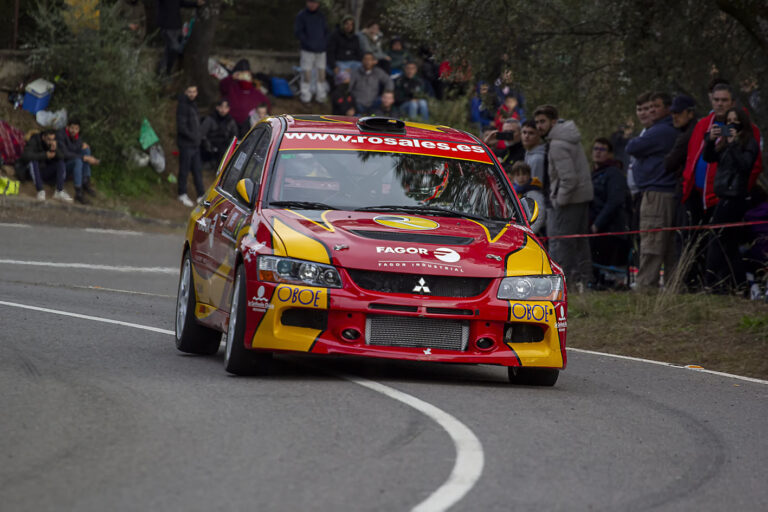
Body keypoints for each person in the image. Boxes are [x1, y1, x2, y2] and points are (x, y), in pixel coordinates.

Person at [682, 83, 763, 226]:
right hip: (697, 195)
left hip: (726, 196)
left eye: (724, 100)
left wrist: (736, 191)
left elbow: (752, 165)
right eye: (716, 100)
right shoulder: (703, 124)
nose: (719, 104)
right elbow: (695, 158)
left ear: (732, 102)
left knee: (720, 242)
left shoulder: (746, 128)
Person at [534, 104, 593, 288]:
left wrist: (559, 201)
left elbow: (569, 179)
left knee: (562, 245)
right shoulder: (568, 138)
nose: (539, 126)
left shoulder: (558, 144)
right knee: (580, 244)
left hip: (569, 201)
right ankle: (585, 282)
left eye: (542, 121)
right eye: (537, 122)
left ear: (553, 121)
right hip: (581, 198)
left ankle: (562, 286)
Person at [625, 92, 680, 290]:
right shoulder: (656, 129)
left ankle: (645, 286)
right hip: (655, 192)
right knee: (659, 242)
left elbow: (632, 146)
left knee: (652, 243)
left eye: (655, 107)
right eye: (647, 108)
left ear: (667, 108)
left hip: (657, 194)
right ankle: (668, 287)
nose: (651, 111)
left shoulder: (661, 130)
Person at [702, 107, 759, 293]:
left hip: (735, 197)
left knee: (717, 239)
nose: (731, 124)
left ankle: (712, 281)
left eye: (735, 121)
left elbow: (745, 166)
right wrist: (710, 141)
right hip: (723, 196)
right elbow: (709, 158)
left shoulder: (748, 142)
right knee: (729, 243)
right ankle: (735, 284)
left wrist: (734, 143)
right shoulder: (725, 143)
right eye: (728, 121)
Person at [589, 138, 630, 286]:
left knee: (610, 275)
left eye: (602, 150)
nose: (598, 153)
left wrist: (598, 223)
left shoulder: (614, 173)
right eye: (595, 149)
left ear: (610, 154)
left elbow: (615, 201)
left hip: (611, 229)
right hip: (596, 229)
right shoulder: (593, 173)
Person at [219, 59, 271, 137]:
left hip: (250, 128)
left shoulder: (256, 92)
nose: (245, 76)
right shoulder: (231, 87)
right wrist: (232, 77)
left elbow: (267, 107)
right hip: (233, 126)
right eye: (242, 73)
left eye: (247, 74)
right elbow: (222, 86)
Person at [19, 130, 72, 202]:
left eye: (53, 139)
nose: (51, 142)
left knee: (60, 162)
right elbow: (26, 156)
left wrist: (55, 150)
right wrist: (45, 155)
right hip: (31, 171)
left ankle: (59, 191)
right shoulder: (34, 140)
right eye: (49, 139)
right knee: (34, 161)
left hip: (44, 171)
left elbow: (62, 157)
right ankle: (40, 191)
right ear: (43, 137)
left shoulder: (53, 143)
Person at [56, 118, 99, 204]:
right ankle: (78, 192)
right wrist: (84, 157)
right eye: (72, 128)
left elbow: (76, 148)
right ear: (67, 127)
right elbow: (65, 153)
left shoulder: (77, 138)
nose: (74, 131)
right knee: (78, 160)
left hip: (71, 162)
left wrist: (84, 149)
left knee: (86, 150)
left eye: (76, 129)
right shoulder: (60, 135)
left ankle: (85, 182)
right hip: (61, 166)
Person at [294, 0, 329, 103]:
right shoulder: (301, 16)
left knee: (321, 74)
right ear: (307, 2)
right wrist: (308, 43)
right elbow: (298, 32)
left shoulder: (321, 16)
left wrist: (324, 44)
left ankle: (321, 96)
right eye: (311, 2)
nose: (313, 4)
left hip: (321, 51)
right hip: (307, 51)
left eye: (315, 2)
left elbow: (326, 31)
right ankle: (305, 96)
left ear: (318, 4)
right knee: (306, 74)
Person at [156, 0, 203, 76]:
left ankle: (162, 71)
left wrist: (196, 3)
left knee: (169, 50)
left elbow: (182, 3)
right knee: (175, 48)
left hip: (176, 26)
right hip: (166, 26)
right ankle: (165, 71)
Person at [176, 85, 204, 207]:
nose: (192, 94)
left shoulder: (194, 105)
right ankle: (182, 193)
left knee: (197, 170)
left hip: (195, 145)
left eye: (194, 91)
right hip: (186, 144)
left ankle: (201, 195)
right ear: (185, 92)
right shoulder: (182, 105)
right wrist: (193, 136)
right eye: (189, 92)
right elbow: (181, 127)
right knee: (184, 170)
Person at [509, 161, 546, 235]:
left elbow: (540, 213)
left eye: (524, 174)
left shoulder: (534, 192)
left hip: (534, 232)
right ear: (513, 177)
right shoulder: (514, 191)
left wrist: (531, 231)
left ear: (529, 175)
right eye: (518, 175)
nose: (521, 177)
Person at [200, 99, 238, 169]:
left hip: (224, 147)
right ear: (217, 107)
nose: (223, 110)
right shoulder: (210, 119)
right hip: (209, 146)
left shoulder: (230, 121)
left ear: (228, 109)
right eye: (221, 107)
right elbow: (202, 134)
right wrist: (207, 144)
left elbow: (234, 136)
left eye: (225, 108)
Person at [521, 119, 547, 187]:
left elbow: (536, 186)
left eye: (531, 133)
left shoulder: (537, 159)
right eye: (524, 132)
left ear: (539, 135)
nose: (526, 136)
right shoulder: (528, 152)